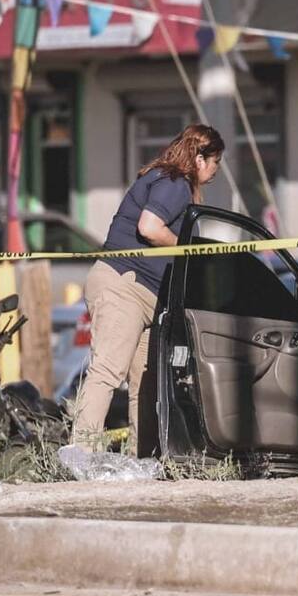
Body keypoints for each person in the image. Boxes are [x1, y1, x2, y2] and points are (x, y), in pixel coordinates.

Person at [71, 123, 224, 451]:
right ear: (200, 159)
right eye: (215, 163)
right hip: (124, 285)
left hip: (146, 296)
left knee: (147, 382)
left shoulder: (168, 181)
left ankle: (143, 459)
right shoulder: (174, 182)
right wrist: (188, 250)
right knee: (108, 371)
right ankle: (79, 455)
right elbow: (150, 227)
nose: (216, 171)